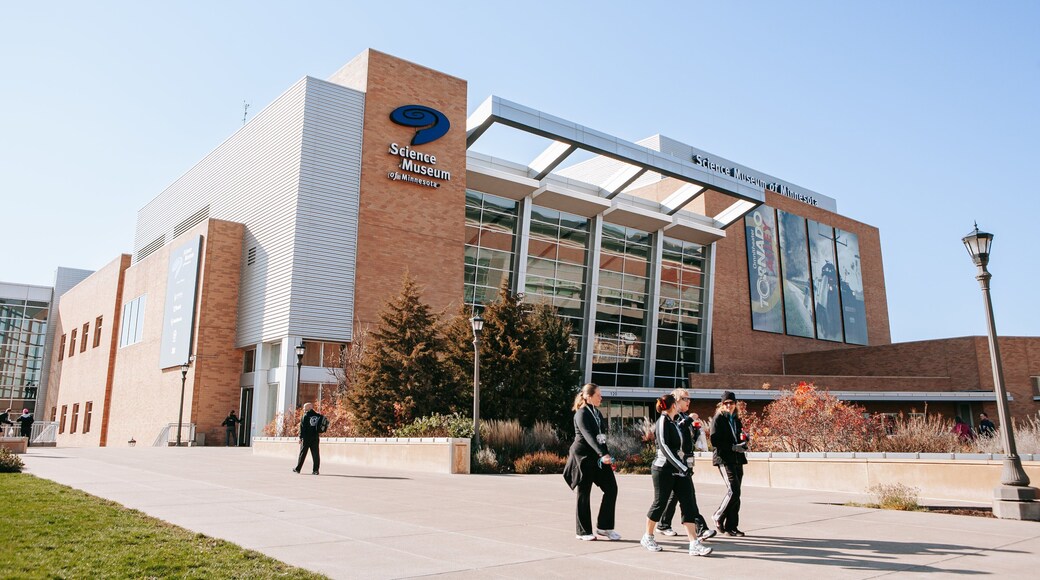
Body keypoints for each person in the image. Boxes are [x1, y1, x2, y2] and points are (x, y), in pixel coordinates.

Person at [641, 394, 713, 556]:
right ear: (673, 406)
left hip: (680, 470)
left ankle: (694, 543)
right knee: (660, 503)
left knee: (689, 504)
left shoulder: (674, 422)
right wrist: (682, 466)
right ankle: (648, 536)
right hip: (663, 470)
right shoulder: (662, 422)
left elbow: (682, 437)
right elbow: (665, 448)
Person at [655, 389, 716, 541]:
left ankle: (663, 524)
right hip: (675, 463)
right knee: (687, 497)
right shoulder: (672, 417)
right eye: (685, 398)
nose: (688, 401)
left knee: (675, 496)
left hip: (685, 461)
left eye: (689, 399)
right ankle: (701, 528)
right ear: (675, 401)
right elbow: (675, 432)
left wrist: (695, 431)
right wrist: (689, 419)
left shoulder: (681, 417)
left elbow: (686, 438)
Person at [563, 383, 620, 541]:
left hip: (598, 457)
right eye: (598, 395)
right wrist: (602, 454)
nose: (601, 397)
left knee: (611, 488)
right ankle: (583, 531)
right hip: (583, 458)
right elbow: (588, 436)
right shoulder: (581, 414)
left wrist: (606, 455)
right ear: (588, 396)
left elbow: (601, 438)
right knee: (584, 493)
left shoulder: (597, 413)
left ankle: (604, 527)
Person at [710, 391, 748, 537]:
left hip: (737, 458)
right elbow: (715, 441)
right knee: (734, 490)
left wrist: (743, 442)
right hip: (724, 458)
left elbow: (738, 436)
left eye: (731, 403)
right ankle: (718, 516)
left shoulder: (736, 419)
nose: (729, 406)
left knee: (737, 493)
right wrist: (732, 447)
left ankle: (732, 526)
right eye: (726, 403)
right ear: (721, 404)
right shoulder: (718, 419)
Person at [293, 403, 322, 475]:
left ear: (309, 407)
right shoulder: (318, 416)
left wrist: (300, 437)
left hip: (306, 438)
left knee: (302, 454)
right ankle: (316, 470)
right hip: (315, 437)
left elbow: (302, 428)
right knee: (315, 454)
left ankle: (298, 469)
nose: (303, 409)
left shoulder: (305, 416)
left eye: (304, 407)